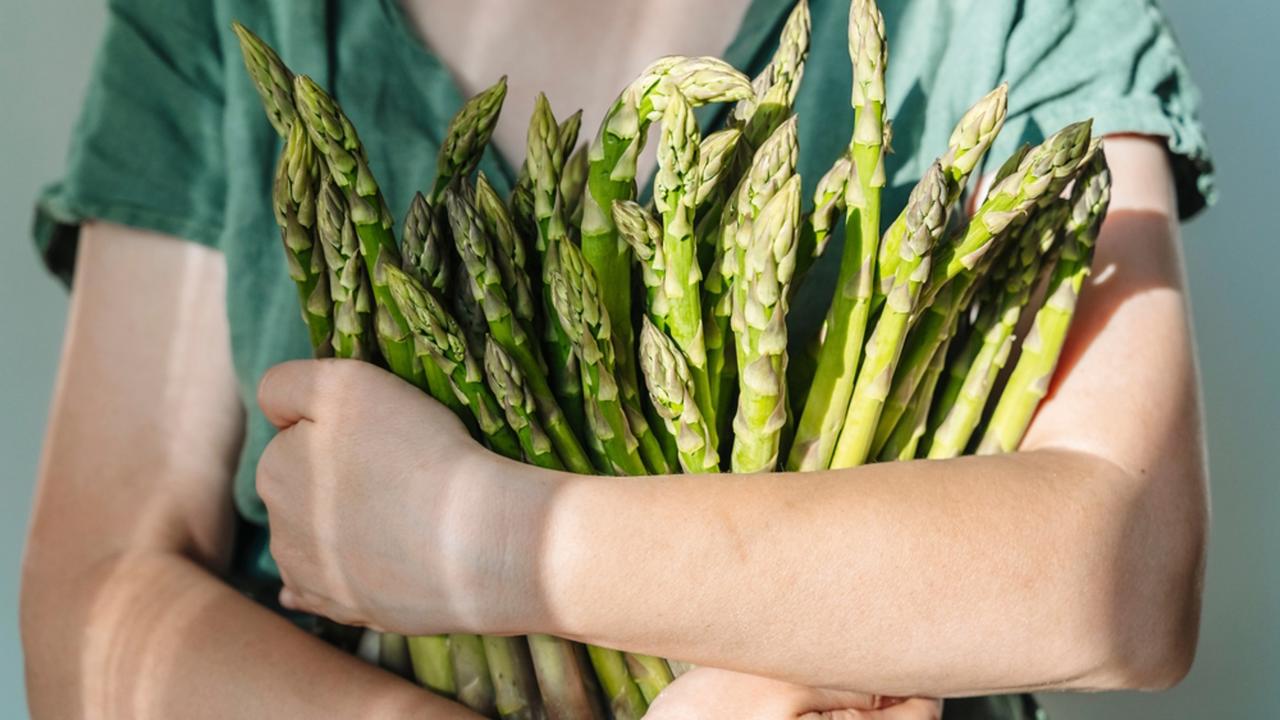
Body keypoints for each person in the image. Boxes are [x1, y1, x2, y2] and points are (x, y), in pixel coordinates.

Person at [21, 0, 1214, 717]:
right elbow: (94, 609)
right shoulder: (224, 19)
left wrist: (483, 537)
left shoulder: (993, 16)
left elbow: (1125, 569)